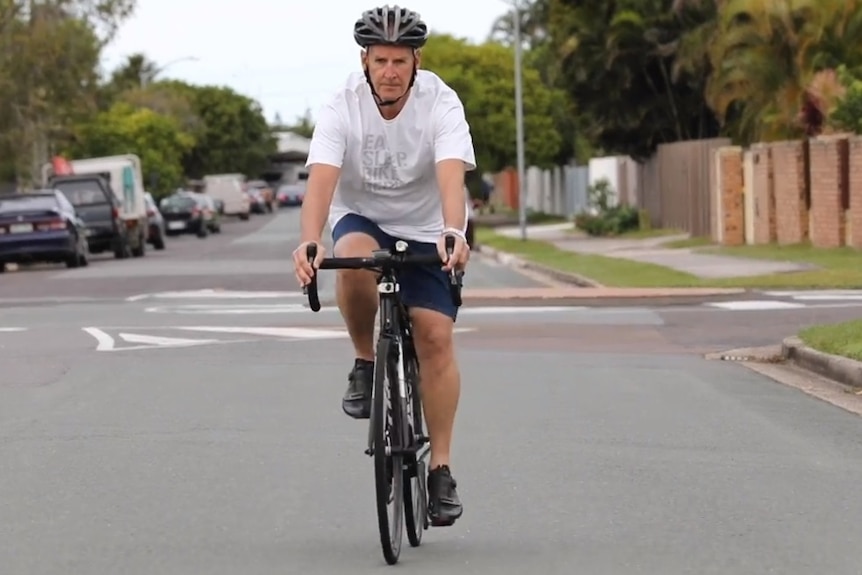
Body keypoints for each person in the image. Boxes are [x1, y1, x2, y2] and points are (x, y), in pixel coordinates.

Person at [291, 5, 475, 527]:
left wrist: (454, 233)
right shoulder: (341, 104)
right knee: (352, 261)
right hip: (364, 216)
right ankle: (365, 361)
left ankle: (440, 469)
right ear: (364, 61)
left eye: (399, 60)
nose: (390, 70)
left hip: (426, 226)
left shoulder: (441, 102)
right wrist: (309, 242)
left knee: (436, 335)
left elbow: (450, 177)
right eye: (380, 60)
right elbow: (321, 183)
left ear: (416, 61)